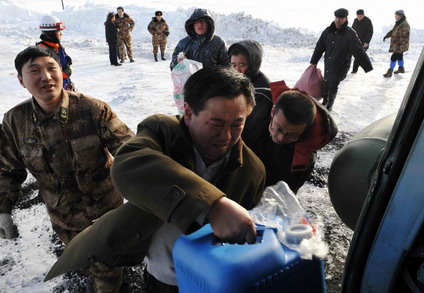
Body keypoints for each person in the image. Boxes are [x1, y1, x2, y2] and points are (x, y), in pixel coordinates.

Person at [43, 66, 266, 292]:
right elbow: (128, 164)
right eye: (216, 124)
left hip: (210, 279)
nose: (226, 136)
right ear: (188, 113)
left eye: (237, 124)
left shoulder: (252, 171)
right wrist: (212, 205)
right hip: (158, 274)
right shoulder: (163, 131)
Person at [0, 46, 135, 292]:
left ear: (62, 72)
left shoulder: (92, 109)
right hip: (63, 220)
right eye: (34, 71)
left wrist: (149, 191)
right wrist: (3, 209)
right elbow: (8, 169)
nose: (46, 77)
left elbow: (130, 153)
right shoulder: (14, 122)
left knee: (107, 276)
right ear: (21, 80)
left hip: (105, 216)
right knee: (84, 264)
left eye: (52, 68)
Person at [243, 80, 338, 193]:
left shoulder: (302, 160)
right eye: (278, 129)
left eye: (292, 135)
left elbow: (284, 194)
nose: (281, 138)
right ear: (273, 111)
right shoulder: (256, 102)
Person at [310, 8, 373, 111]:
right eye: (337, 17)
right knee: (326, 83)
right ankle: (325, 100)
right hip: (329, 63)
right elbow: (319, 47)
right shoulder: (327, 31)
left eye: (341, 18)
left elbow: (358, 51)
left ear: (346, 19)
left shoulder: (350, 33)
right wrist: (313, 62)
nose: (338, 20)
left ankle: (330, 102)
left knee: (333, 84)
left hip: (341, 64)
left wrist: (367, 66)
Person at [228, 40, 272, 149]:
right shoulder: (238, 82)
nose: (237, 70)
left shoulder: (262, 91)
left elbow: (252, 131)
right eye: (234, 65)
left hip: (253, 149)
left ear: (253, 64)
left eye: (242, 65)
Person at [37, 14, 74, 90]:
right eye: (58, 31)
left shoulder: (58, 46)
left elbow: (66, 63)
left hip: (65, 87)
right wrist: (64, 74)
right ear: (50, 33)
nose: (61, 34)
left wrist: (68, 64)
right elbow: (48, 74)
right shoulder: (42, 51)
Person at [382, 10, 410, 77]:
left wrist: (402, 46)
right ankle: (401, 69)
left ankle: (390, 72)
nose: (395, 16)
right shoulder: (399, 23)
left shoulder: (404, 24)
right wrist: (387, 35)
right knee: (399, 56)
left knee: (393, 57)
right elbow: (393, 31)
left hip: (400, 45)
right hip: (397, 44)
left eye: (396, 15)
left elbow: (405, 37)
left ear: (400, 15)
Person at [351, 9, 373, 73]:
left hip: (364, 42)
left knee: (359, 56)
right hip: (355, 41)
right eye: (358, 16)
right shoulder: (355, 20)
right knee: (358, 56)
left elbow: (370, 32)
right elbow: (352, 30)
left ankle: (355, 70)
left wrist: (367, 42)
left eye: (361, 16)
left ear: (363, 15)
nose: (359, 17)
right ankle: (354, 70)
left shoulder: (368, 21)